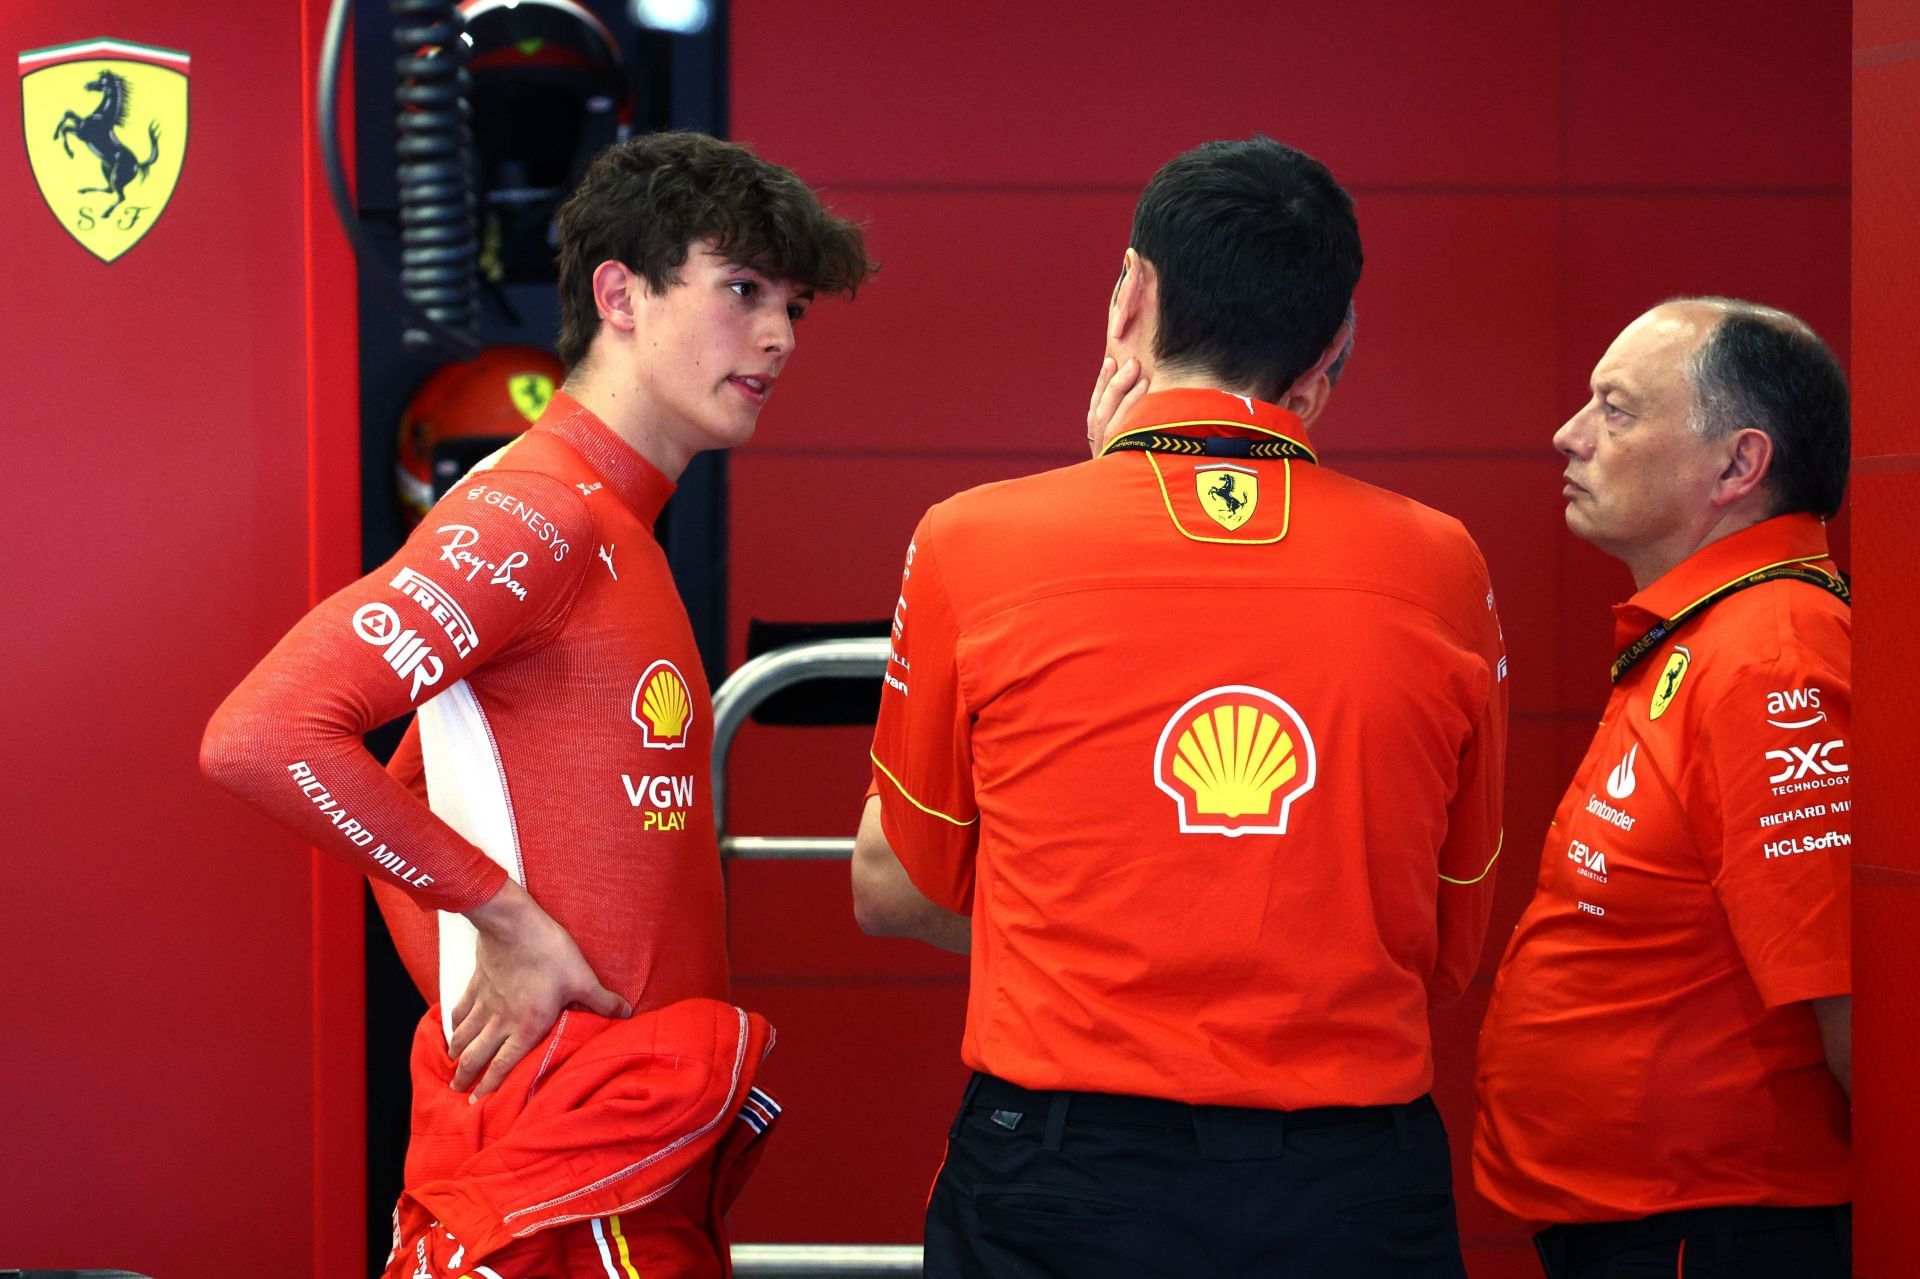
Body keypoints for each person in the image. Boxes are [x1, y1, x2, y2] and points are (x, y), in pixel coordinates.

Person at [201, 130, 872, 1278]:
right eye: (743, 289)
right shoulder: (539, 512)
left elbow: (406, 785)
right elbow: (263, 734)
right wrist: (498, 927)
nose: (776, 336)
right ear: (619, 293)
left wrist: (481, 977)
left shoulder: (615, 525)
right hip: (567, 1176)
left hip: (615, 1152)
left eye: (796, 306)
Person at [853, 136, 1508, 1279]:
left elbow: (905, 880)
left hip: (1065, 1177)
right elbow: (1449, 942)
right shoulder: (1443, 564)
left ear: (1131, 297)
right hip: (1352, 1184)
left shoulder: (973, 540)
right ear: (1334, 346)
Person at [1473, 298, 1853, 1279]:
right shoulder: (1710, 634)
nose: (1570, 434)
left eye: (1617, 408)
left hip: (1717, 1226)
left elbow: (1849, 994)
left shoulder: (1771, 657)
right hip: (1652, 1219)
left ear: (1738, 466)